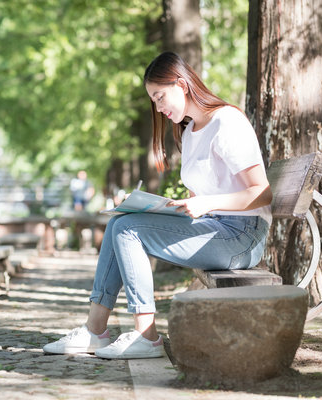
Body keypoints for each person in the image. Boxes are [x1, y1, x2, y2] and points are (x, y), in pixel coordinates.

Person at [43, 52, 273, 359]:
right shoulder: (190, 131)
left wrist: (207, 203)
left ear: (182, 84)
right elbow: (202, 198)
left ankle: (145, 335)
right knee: (118, 223)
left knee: (126, 230)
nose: (158, 106)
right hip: (216, 229)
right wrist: (163, 206)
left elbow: (262, 193)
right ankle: (94, 331)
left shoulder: (226, 122)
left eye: (160, 96)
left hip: (242, 236)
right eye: (153, 99)